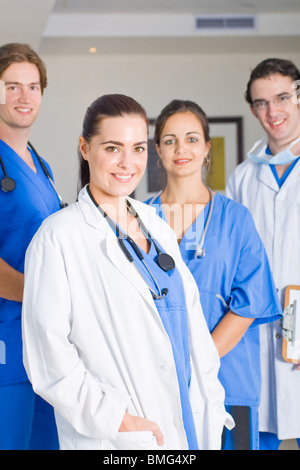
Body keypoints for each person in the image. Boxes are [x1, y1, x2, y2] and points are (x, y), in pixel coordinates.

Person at [22, 94, 234, 451]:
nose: (127, 163)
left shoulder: (156, 225)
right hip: (124, 434)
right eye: (112, 147)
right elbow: (48, 357)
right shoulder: (58, 237)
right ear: (85, 148)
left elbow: (193, 330)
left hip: (190, 420)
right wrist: (116, 419)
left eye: (137, 148)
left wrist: (210, 400)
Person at [145, 99, 282, 450]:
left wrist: (195, 362)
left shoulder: (236, 220)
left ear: (207, 148)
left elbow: (248, 305)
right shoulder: (138, 221)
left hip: (227, 376)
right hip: (157, 380)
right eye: (170, 140)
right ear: (157, 150)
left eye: (192, 139)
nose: (181, 149)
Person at [226, 58, 300, 450]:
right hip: (257, 331)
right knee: (261, 431)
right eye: (261, 103)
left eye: (282, 97)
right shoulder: (242, 178)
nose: (273, 112)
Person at [0, 43, 62, 450]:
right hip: (7, 341)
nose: (25, 97)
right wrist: (44, 296)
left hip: (45, 338)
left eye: (33, 87)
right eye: (12, 86)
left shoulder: (40, 163)